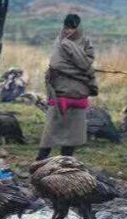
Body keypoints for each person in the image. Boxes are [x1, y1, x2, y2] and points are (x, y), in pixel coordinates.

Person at [36, 14, 98, 160]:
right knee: (51, 132)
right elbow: (57, 64)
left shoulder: (85, 42)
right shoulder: (60, 42)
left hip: (78, 93)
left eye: (72, 28)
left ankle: (65, 162)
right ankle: (39, 162)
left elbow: (88, 61)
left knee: (73, 134)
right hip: (60, 92)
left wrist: (80, 70)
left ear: (78, 27)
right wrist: (83, 73)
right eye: (67, 27)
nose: (68, 31)